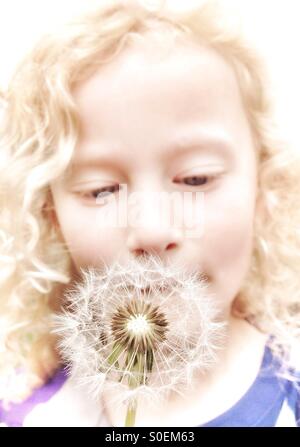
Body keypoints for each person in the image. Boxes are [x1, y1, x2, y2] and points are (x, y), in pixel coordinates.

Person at [0, 0, 299, 427]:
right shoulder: (27, 411)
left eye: (196, 180)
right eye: (101, 190)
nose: (153, 229)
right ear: (52, 216)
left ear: (264, 185)